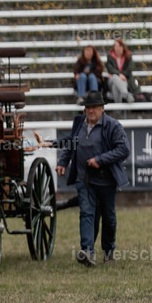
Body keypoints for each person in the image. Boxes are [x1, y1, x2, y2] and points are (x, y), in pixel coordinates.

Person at [55, 91, 130, 266]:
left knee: (108, 217)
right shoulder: (79, 123)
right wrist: (63, 161)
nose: (90, 111)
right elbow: (71, 143)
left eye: (94, 107)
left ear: (102, 108)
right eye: (88, 107)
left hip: (106, 179)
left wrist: (100, 160)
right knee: (87, 213)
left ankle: (108, 251)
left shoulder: (113, 126)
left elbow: (123, 149)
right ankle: (87, 251)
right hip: (84, 177)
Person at [105, 38, 138, 104]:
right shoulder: (110, 56)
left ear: (123, 47)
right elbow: (110, 68)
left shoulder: (128, 56)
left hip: (125, 80)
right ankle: (126, 95)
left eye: (119, 46)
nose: (117, 48)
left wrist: (122, 75)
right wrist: (119, 75)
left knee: (116, 86)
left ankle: (118, 112)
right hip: (112, 79)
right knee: (114, 77)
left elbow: (129, 69)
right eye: (116, 46)